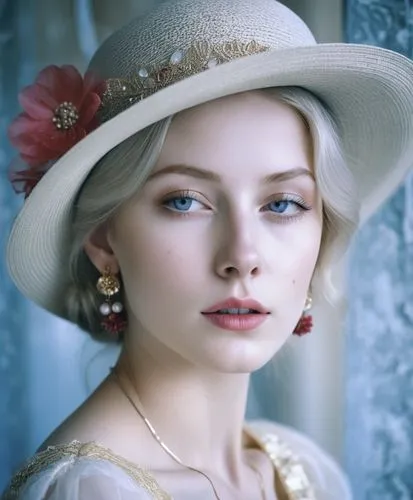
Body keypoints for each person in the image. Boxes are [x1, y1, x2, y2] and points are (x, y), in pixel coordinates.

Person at [3, 0, 413, 498]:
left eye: (282, 204)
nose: (242, 255)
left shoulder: (307, 470)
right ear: (102, 238)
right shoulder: (91, 491)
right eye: (184, 201)